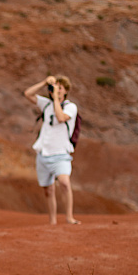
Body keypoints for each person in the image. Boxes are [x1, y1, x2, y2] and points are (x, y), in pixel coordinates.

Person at [23, 75, 80, 226]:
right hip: (43, 153)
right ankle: (53, 221)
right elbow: (28, 93)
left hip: (61, 154)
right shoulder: (46, 104)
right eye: (55, 87)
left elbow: (61, 118)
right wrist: (44, 82)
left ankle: (69, 217)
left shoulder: (70, 107)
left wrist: (55, 99)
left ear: (66, 91)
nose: (57, 90)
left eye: (60, 88)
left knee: (64, 183)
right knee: (48, 190)